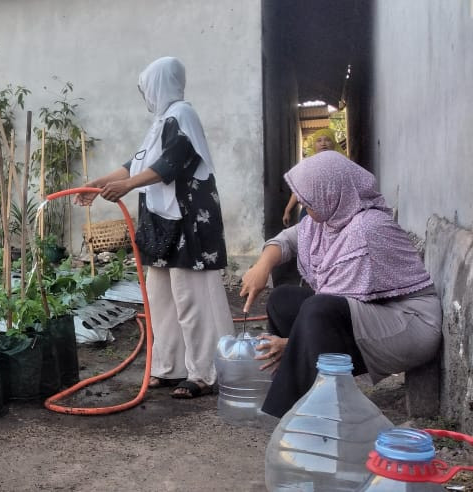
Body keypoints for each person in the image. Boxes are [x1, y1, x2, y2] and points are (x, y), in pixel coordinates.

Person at [240, 150, 442, 417]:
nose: (303, 206)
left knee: (317, 309)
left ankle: (289, 415)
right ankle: (311, 396)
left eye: (308, 201)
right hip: (374, 314)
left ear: (331, 192)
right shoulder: (331, 219)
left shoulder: (366, 230)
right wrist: (262, 266)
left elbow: (330, 310)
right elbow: (287, 241)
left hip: (409, 324)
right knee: (282, 300)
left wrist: (289, 345)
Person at [75, 57, 233, 399]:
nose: (145, 94)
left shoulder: (182, 116)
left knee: (191, 299)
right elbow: (136, 162)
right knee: (160, 299)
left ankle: (204, 373)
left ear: (160, 84)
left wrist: (129, 185)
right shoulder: (161, 122)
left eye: (147, 87)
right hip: (162, 224)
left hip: (188, 223)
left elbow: (169, 165)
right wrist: (96, 185)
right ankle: (168, 366)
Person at [282, 128, 343, 226]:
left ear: (334, 143)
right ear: (314, 145)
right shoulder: (307, 165)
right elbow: (299, 189)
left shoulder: (343, 163)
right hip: (310, 213)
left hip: (337, 213)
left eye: (327, 140)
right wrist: (287, 210)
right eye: (319, 140)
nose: (323, 143)